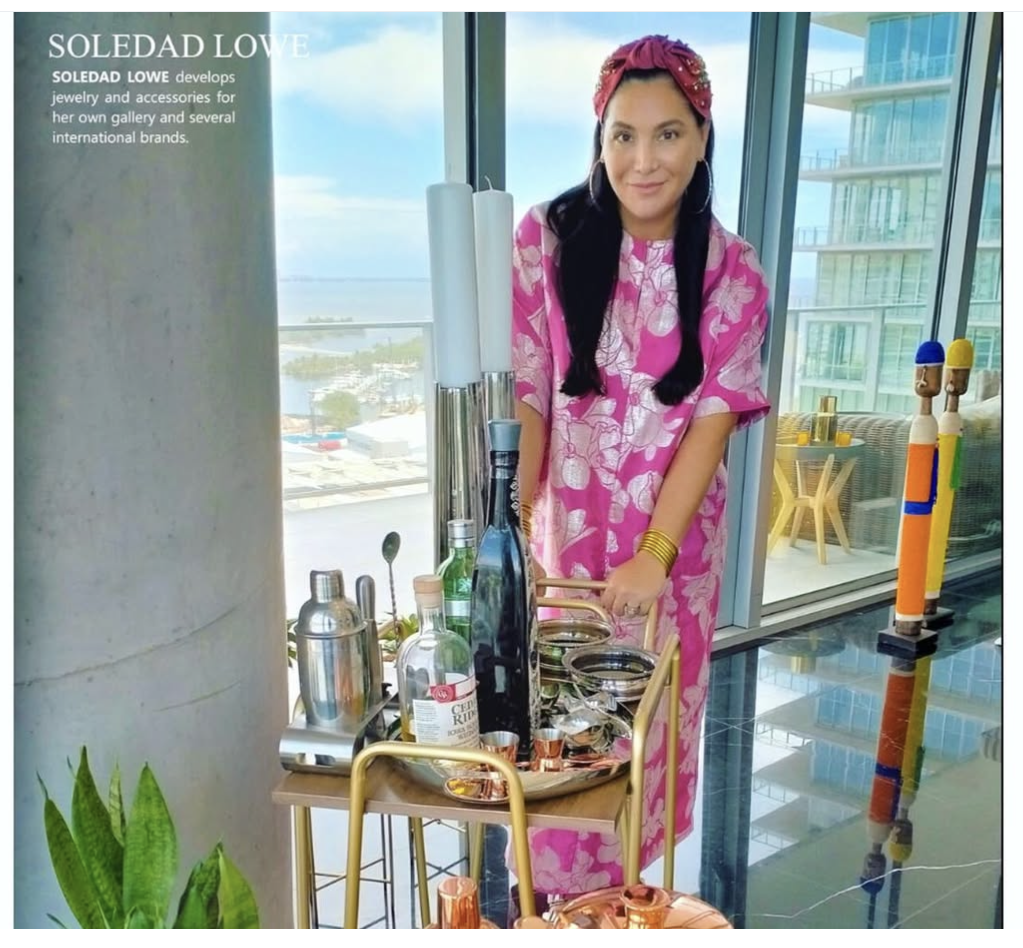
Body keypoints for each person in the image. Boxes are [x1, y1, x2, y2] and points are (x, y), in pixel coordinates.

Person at [510, 35, 771, 900]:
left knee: (644, 738)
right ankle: (552, 908)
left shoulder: (735, 276)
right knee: (555, 737)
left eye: (665, 134)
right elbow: (531, 392)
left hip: (670, 557)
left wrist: (654, 557)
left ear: (701, 137)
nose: (641, 159)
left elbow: (712, 425)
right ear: (599, 137)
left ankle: (618, 908)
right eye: (621, 135)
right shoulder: (545, 239)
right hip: (567, 549)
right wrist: (512, 522)